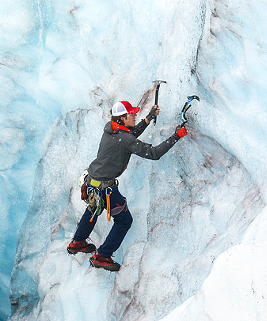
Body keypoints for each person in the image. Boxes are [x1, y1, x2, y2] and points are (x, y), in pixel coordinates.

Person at [67, 100, 187, 271]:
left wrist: (148, 118)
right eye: (131, 114)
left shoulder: (111, 129)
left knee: (93, 209)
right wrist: (177, 136)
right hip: (105, 188)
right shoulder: (124, 138)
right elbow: (154, 153)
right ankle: (102, 256)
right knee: (124, 221)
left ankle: (77, 242)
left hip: (92, 182)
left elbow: (129, 136)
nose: (134, 115)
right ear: (122, 118)